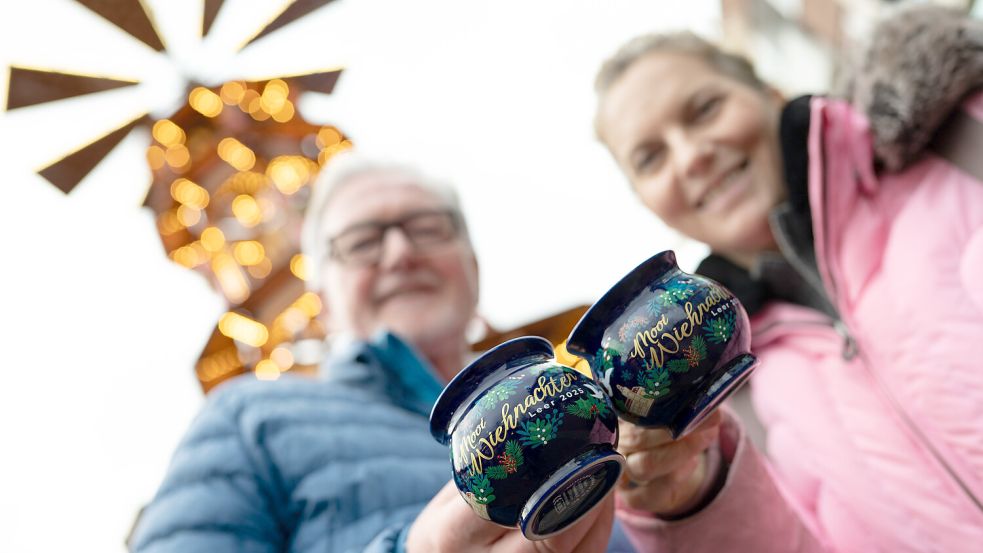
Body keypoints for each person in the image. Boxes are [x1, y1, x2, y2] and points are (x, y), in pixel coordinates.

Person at [591, 5, 983, 553]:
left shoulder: (963, 143)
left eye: (704, 110)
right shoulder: (720, 400)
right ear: (648, 202)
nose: (691, 157)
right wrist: (692, 498)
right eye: (652, 158)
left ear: (770, 92)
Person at [128, 152, 633, 552]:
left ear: (473, 270)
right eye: (363, 242)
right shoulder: (249, 418)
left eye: (427, 228)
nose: (400, 254)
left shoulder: (578, 407)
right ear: (323, 300)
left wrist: (696, 495)